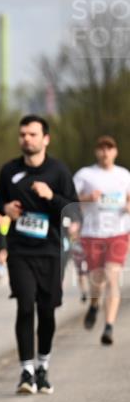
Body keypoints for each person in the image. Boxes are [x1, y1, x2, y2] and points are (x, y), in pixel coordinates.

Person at [0, 115, 77, 395]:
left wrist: (50, 196)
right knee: (25, 305)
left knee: (47, 310)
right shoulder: (9, 171)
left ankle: (43, 366)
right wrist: (5, 209)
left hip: (51, 251)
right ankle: (26, 371)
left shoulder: (58, 171)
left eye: (32, 134)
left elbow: (73, 209)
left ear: (45, 139)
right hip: (20, 250)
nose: (26, 139)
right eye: (23, 135)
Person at [73, 135, 130, 345]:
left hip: (118, 232)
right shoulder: (85, 174)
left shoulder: (124, 175)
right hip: (92, 233)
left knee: (112, 276)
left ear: (115, 152)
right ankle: (94, 304)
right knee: (97, 280)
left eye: (109, 148)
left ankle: (109, 326)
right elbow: (67, 197)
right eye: (101, 148)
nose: (105, 152)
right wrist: (87, 198)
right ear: (96, 151)